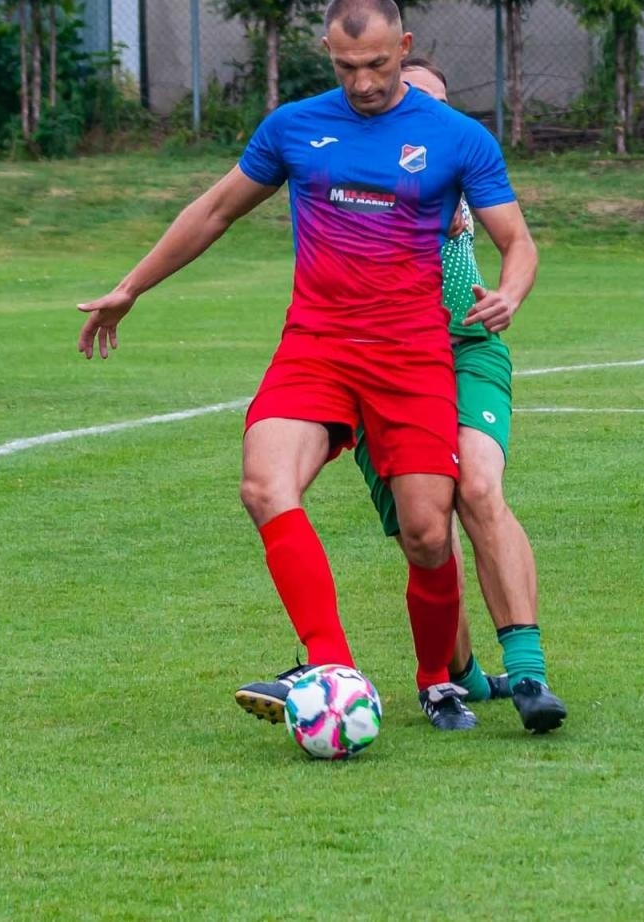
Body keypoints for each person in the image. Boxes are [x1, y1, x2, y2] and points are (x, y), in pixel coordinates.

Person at [78, 0, 537, 731]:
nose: (364, 81)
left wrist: (510, 292)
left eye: (380, 65)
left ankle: (436, 678)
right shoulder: (294, 127)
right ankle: (332, 668)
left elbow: (517, 239)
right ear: (329, 52)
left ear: (404, 45)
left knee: (426, 534)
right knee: (264, 484)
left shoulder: (456, 137)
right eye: (349, 65)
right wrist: (131, 287)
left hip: (412, 355)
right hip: (317, 347)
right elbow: (217, 208)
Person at [234, 57, 565, 734]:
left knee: (474, 485)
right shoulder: (363, 149)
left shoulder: (454, 159)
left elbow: (508, 234)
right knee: (424, 533)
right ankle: (456, 674)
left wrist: (508, 291)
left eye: (430, 102)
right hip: (371, 361)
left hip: (459, 348)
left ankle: (527, 672)